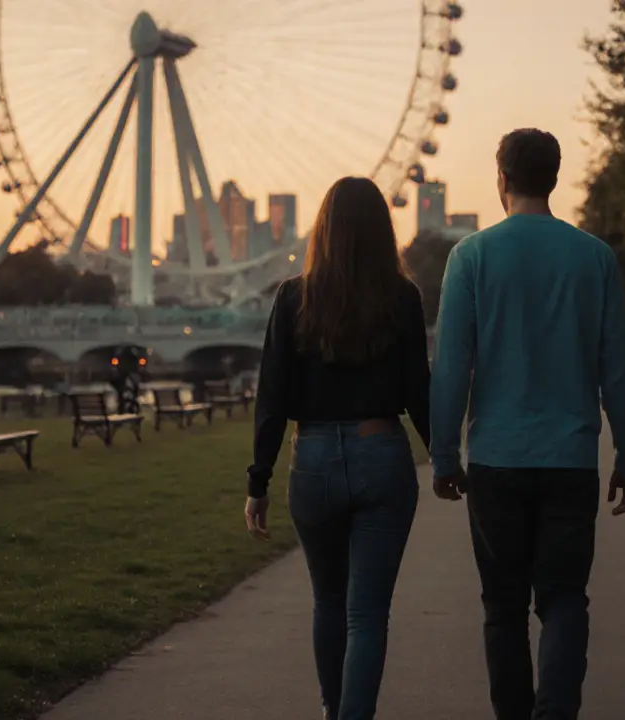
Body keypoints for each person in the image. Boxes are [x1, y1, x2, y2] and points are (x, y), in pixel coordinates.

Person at [429, 128, 625, 720]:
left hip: (496, 459)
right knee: (565, 597)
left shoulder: (470, 257)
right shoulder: (594, 258)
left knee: (502, 607)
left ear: (501, 179)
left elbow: (451, 367)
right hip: (570, 458)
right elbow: (616, 370)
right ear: (554, 179)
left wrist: (444, 454)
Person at [244, 176, 431, 720]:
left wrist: (258, 481)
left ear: (321, 230)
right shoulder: (402, 298)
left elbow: (272, 398)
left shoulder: (292, 296)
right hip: (381, 454)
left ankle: (333, 710)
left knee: (328, 601)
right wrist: (444, 456)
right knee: (367, 613)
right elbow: (418, 389)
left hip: (315, 460)